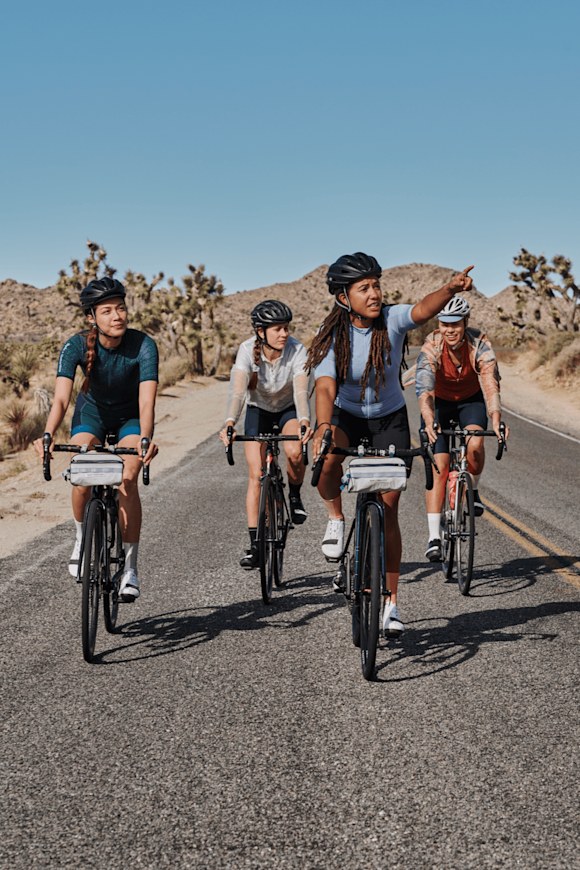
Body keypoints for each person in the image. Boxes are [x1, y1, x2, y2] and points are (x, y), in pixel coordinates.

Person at [307, 252, 474, 636]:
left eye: (376, 285)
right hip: (346, 415)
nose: (374, 293)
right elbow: (326, 385)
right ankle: (336, 518)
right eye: (364, 288)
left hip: (390, 419)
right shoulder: (332, 334)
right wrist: (323, 426)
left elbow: (422, 310)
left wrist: (449, 288)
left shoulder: (392, 319)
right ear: (343, 297)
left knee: (389, 508)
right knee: (328, 461)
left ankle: (390, 604)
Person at [34, 277, 159, 601]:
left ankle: (130, 568)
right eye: (107, 311)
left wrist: (145, 439)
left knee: (127, 478)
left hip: (131, 418)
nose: (117, 316)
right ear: (92, 317)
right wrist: (48, 434)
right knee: (82, 473)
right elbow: (61, 399)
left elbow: (147, 402)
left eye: (121, 308)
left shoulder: (144, 345)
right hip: (91, 415)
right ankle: (81, 538)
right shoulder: (74, 345)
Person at [414, 294, 509, 562]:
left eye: (455, 323)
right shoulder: (432, 345)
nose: (450, 330)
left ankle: (473, 489)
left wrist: (496, 418)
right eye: (445, 324)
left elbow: (490, 383)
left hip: (470, 400)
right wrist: (428, 418)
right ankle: (434, 537)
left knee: (475, 443)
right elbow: (424, 388)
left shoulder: (479, 343)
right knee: (440, 466)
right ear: (439, 324)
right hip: (439, 404)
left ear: (465, 323)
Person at [219, 300, 313, 569]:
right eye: (277, 329)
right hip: (258, 409)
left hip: (288, 409)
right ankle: (256, 546)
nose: (284, 334)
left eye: (286, 328)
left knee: (295, 452)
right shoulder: (247, 350)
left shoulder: (297, 350)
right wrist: (229, 422)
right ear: (261, 332)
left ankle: (294, 496)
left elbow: (300, 391)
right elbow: (238, 392)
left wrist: (304, 420)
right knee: (256, 474)